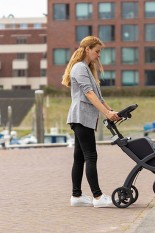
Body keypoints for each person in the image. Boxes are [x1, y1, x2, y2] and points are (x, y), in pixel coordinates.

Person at [61, 36, 120, 208]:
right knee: (91, 156)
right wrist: (107, 114)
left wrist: (111, 112)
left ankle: (76, 196)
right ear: (87, 49)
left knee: (79, 157)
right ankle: (98, 197)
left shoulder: (86, 68)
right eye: (97, 51)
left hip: (83, 118)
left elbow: (99, 98)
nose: (99, 55)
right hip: (81, 117)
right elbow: (89, 94)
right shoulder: (80, 68)